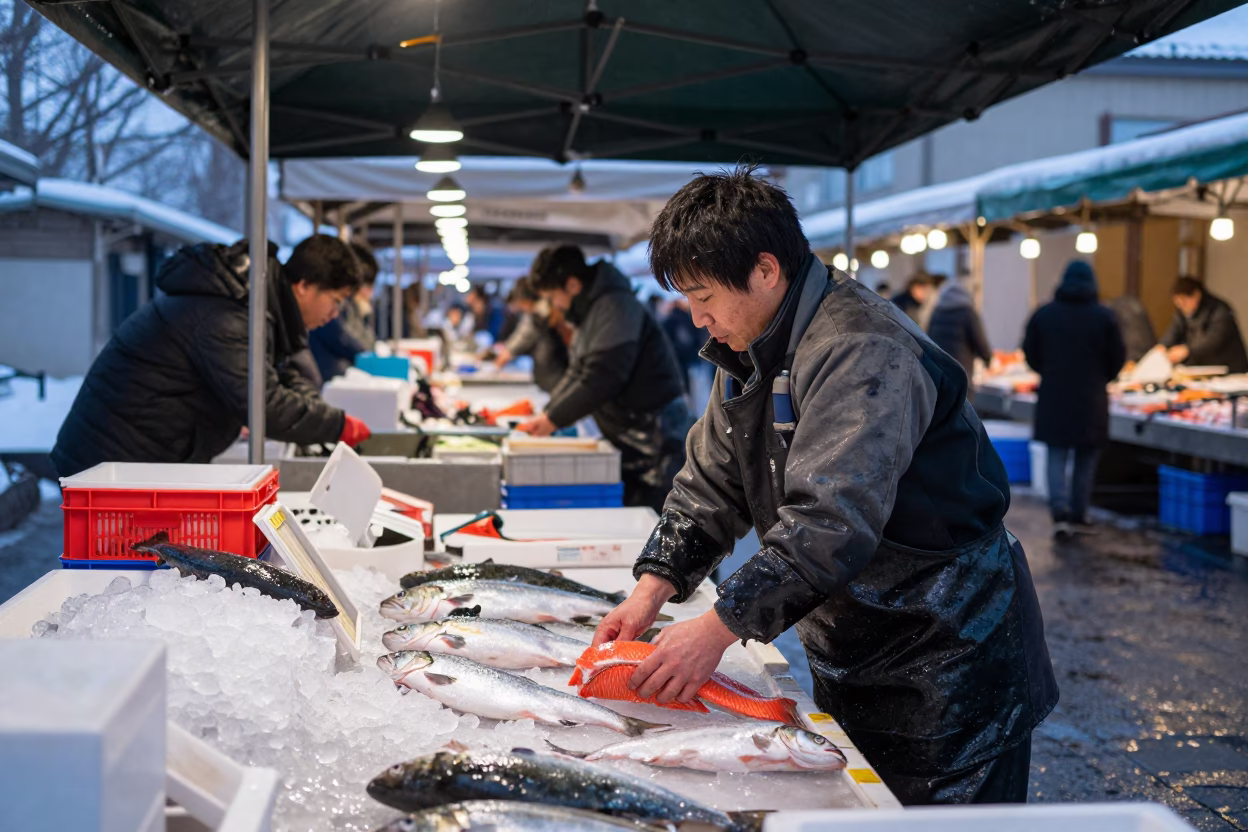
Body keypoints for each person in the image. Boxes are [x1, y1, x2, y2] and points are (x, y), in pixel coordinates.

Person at [593, 167, 1057, 806]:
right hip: (856, 643)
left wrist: (719, 627)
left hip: (950, 654)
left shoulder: (862, 347)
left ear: (764, 270)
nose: (696, 318)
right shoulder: (749, 346)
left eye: (703, 295)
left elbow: (830, 521)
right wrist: (654, 589)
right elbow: (711, 481)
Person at [51, 235, 372, 478]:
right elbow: (265, 406)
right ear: (304, 286)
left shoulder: (261, 310)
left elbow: (283, 375)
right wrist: (336, 424)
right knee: (113, 564)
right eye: (336, 300)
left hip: (140, 457)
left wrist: (324, 415)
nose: (335, 314)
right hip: (113, 462)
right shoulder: (231, 314)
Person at [516, 244, 689, 512]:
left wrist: (552, 420)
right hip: (633, 433)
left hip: (655, 434)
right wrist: (548, 413)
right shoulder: (593, 309)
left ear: (572, 285)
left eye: (552, 297)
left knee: (655, 518)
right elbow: (578, 371)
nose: (554, 306)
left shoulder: (615, 306)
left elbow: (603, 375)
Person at [1022, 261, 1126, 539]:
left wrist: (1049, 370)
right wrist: (1100, 376)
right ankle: (1079, 514)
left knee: (1056, 453)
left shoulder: (1044, 315)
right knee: (1085, 455)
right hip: (1090, 397)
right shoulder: (1105, 317)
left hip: (1054, 394)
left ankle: (1059, 514)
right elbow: (1117, 359)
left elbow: (1030, 353)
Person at [309, 242, 379, 382]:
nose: (369, 293)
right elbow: (350, 342)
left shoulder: (347, 307)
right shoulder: (332, 314)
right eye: (367, 286)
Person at [492, 277, 570, 393]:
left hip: (554, 375)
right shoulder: (539, 312)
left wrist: (508, 352)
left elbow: (523, 335)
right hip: (550, 375)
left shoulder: (541, 312)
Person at [1157, 277, 1248, 373]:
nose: (1181, 306)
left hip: (1227, 367)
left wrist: (1187, 350)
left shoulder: (1219, 310)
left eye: (1184, 301)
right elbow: (1175, 330)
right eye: (1178, 303)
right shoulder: (1183, 312)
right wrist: (1163, 345)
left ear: (1196, 295)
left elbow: (1214, 338)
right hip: (1202, 367)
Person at [926, 275, 992, 383]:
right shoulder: (967, 312)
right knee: (961, 398)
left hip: (938, 368)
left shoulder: (937, 311)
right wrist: (987, 358)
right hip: (960, 368)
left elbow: (928, 338)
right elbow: (979, 339)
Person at [661, 298, 705, 395]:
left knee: (684, 387)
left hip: (677, 359)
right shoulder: (687, 319)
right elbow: (694, 338)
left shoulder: (669, 320)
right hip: (691, 358)